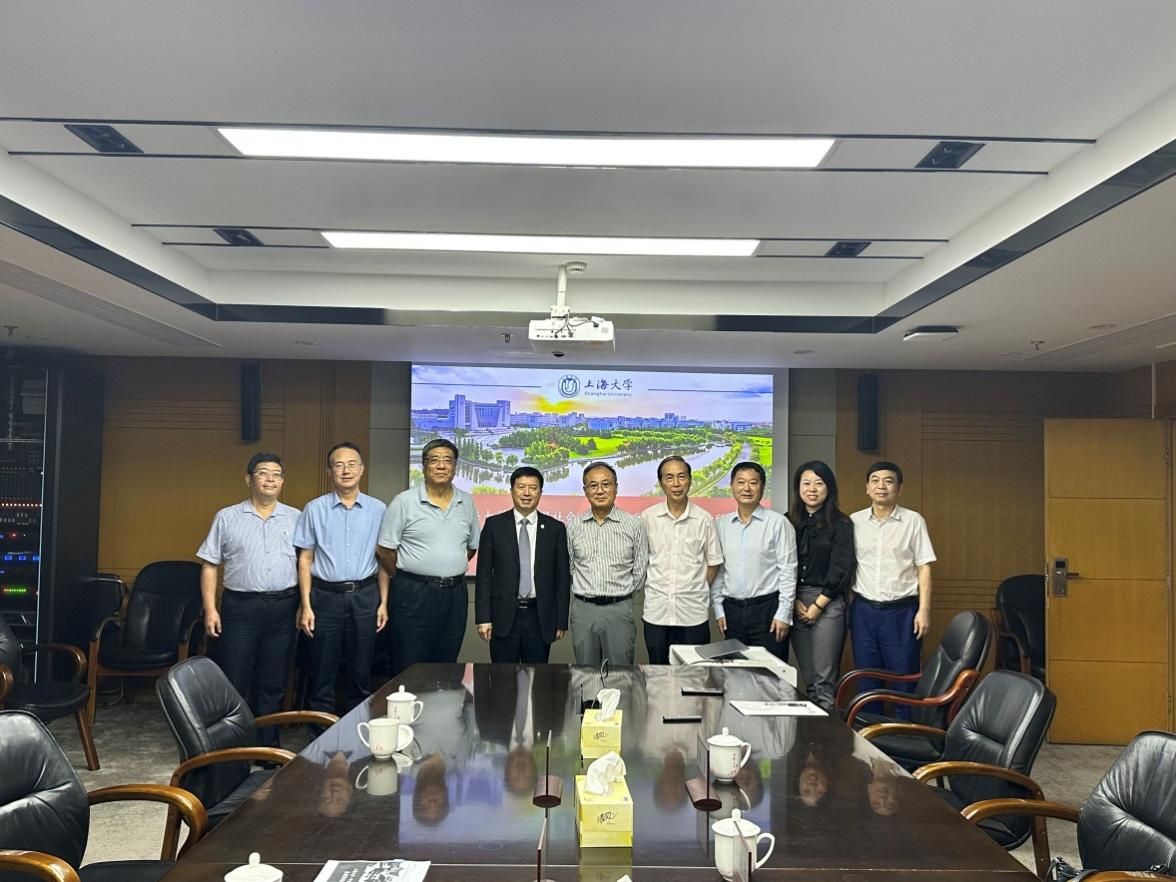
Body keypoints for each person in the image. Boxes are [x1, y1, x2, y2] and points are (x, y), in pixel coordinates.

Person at [196, 452, 300, 747]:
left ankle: (267, 747)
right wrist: (210, 609)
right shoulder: (227, 517)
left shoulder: (296, 517)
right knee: (236, 678)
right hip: (240, 607)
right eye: (263, 473)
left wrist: (304, 605)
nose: (270, 479)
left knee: (273, 681)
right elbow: (209, 564)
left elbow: (307, 563)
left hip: (283, 607)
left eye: (276, 474)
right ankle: (235, 749)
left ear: (282, 481)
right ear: (249, 479)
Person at [294, 442, 389, 718]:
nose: (345, 470)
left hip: (365, 596)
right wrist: (306, 605)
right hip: (324, 598)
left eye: (351, 464)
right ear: (329, 471)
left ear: (361, 469)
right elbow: (305, 559)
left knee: (361, 673)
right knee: (322, 672)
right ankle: (319, 735)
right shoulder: (314, 509)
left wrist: (384, 602)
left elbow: (383, 559)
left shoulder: (378, 509)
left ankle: (358, 733)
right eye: (339, 465)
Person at [378, 438, 480, 674]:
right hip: (413, 593)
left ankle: (444, 701)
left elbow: (471, 547)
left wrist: (447, 567)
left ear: (455, 466)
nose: (441, 466)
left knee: (447, 660)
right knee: (409, 661)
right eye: (434, 460)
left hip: (455, 594)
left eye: (448, 461)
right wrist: (409, 575)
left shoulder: (466, 501)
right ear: (423, 466)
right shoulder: (404, 502)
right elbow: (385, 550)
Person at [849, 461, 936, 710]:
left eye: (888, 481)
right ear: (867, 487)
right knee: (866, 678)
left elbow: (924, 567)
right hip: (863, 611)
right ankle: (868, 731)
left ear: (899, 488)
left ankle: (902, 730)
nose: (881, 486)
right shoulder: (854, 522)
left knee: (903, 678)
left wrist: (924, 610)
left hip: (902, 612)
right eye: (875, 481)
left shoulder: (913, 521)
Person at [474, 466, 571, 663]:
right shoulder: (494, 525)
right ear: (512, 490)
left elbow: (561, 578)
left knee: (537, 678)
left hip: (540, 617)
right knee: (503, 678)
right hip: (503, 617)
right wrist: (483, 618)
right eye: (521, 487)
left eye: (533, 488)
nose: (526, 493)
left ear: (540, 492)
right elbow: (483, 576)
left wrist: (561, 620)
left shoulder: (555, 528)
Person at [640, 456, 722, 664]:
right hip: (657, 612)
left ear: (690, 481)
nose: (676, 484)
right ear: (661, 483)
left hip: (692, 613)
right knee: (658, 672)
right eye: (669, 478)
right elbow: (641, 560)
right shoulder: (648, 518)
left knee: (695, 675)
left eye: (681, 477)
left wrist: (694, 587)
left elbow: (713, 563)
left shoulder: (704, 519)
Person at [787, 460, 855, 711]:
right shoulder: (788, 521)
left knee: (824, 682)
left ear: (829, 488)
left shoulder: (841, 523)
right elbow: (780, 565)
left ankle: (829, 733)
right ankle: (813, 734)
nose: (812, 489)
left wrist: (818, 605)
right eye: (806, 483)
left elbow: (841, 568)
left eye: (819, 483)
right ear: (798, 488)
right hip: (795, 601)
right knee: (810, 681)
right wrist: (793, 601)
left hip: (828, 602)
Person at [711, 461, 797, 661]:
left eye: (753, 482)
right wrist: (718, 609)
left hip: (768, 610)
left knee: (771, 674)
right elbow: (719, 571)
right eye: (741, 482)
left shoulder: (778, 523)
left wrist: (784, 614)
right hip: (732, 612)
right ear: (732, 486)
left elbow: (788, 571)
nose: (747, 488)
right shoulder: (721, 525)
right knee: (735, 673)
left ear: (762, 487)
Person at [566, 461, 648, 665]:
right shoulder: (574, 526)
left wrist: (619, 597)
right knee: (585, 674)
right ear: (585, 490)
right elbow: (570, 568)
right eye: (593, 485)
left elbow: (639, 572)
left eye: (606, 484)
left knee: (621, 674)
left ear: (616, 488)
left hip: (619, 609)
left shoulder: (634, 524)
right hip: (583, 610)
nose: (600, 491)